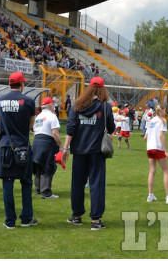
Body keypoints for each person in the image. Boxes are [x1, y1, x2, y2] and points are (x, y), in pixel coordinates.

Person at [62, 76, 115, 230]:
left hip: (79, 150)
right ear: (102, 89)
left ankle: (76, 216)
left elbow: (70, 129)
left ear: (88, 88)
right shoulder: (105, 107)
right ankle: (96, 220)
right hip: (97, 152)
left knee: (77, 184)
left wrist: (65, 149)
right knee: (96, 184)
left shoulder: (77, 106)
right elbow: (111, 128)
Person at [0, 71, 38, 228]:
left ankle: (10, 221)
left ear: (9, 84)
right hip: (23, 147)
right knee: (26, 183)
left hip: (5, 146)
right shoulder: (29, 101)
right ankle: (26, 219)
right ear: (22, 84)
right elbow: (31, 126)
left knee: (7, 184)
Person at [145, 105, 168, 204]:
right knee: (166, 171)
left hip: (149, 147)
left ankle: (150, 195)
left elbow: (145, 137)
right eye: (165, 110)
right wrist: (166, 151)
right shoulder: (163, 120)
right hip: (158, 147)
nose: (166, 112)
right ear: (161, 110)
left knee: (152, 171)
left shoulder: (151, 120)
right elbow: (161, 136)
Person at [32, 95, 63, 199]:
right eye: (53, 105)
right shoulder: (52, 116)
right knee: (47, 166)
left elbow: (34, 132)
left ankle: (38, 189)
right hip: (47, 142)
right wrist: (61, 146)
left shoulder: (38, 117)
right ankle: (46, 192)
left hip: (36, 142)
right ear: (50, 106)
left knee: (38, 166)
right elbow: (55, 133)